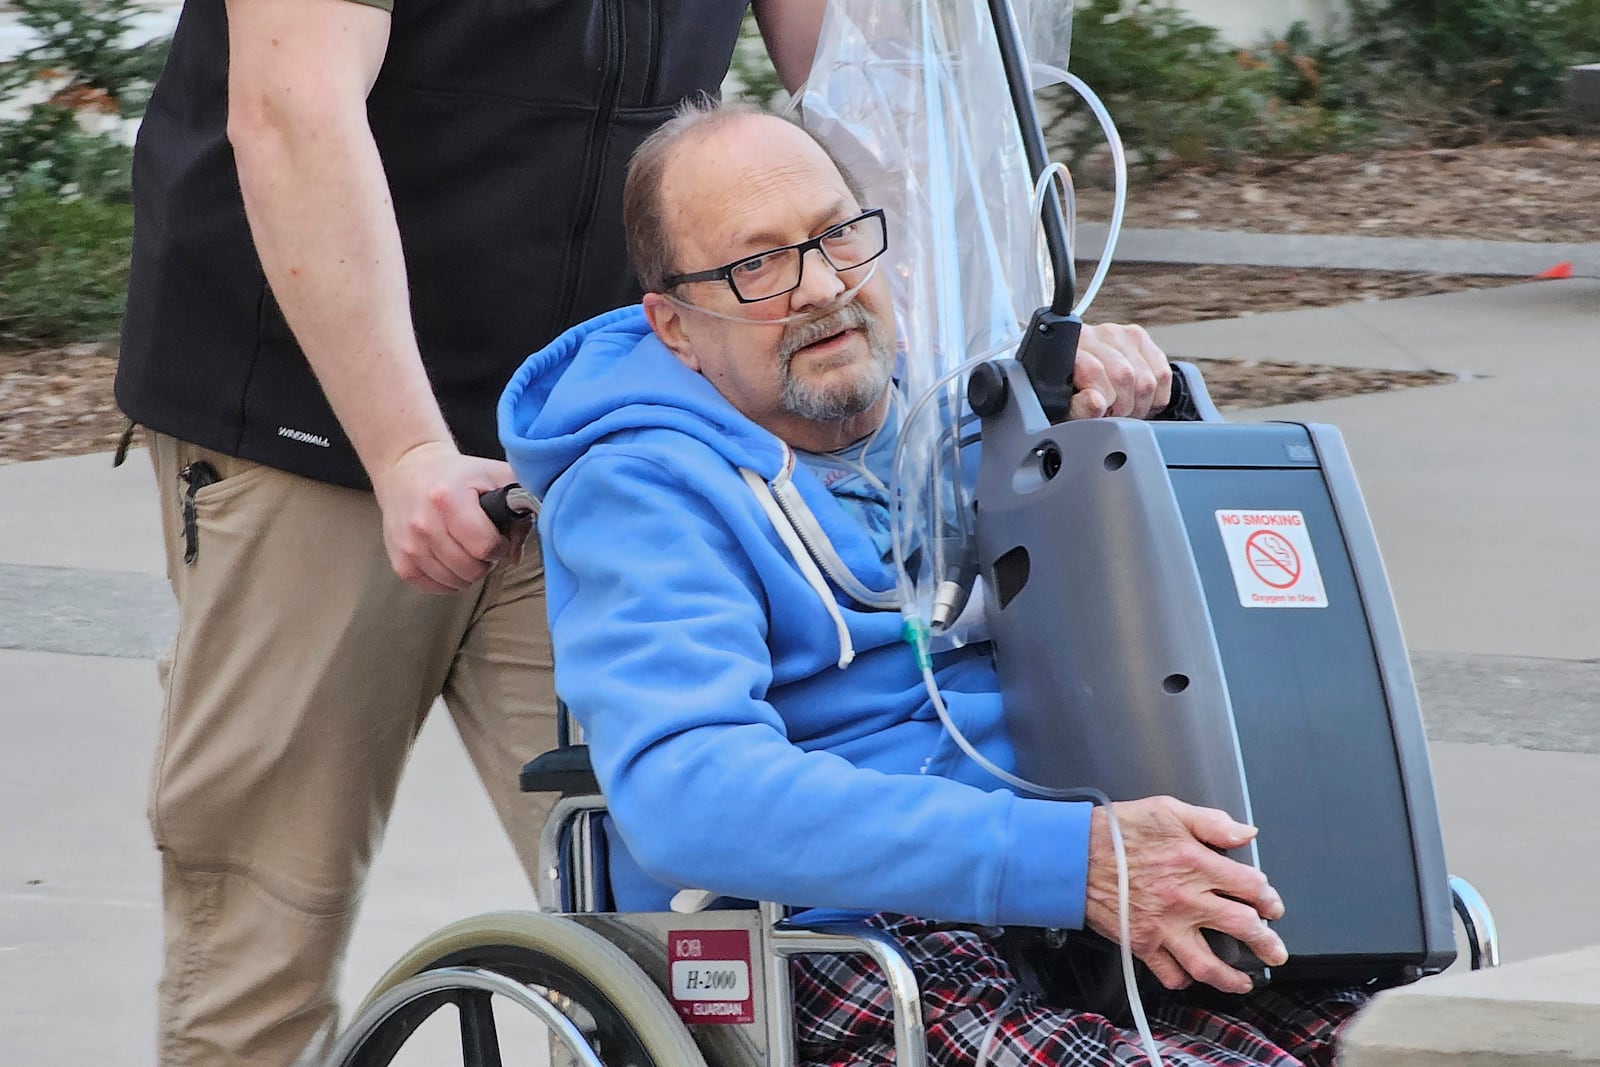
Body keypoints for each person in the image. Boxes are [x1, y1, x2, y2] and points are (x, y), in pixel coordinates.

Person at [498, 101, 1369, 1067]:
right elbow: (687, 791)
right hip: (835, 929)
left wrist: (1136, 418)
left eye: (837, 236)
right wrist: (1062, 860)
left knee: (1410, 1043)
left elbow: (1194, 624)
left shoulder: (963, 413)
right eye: (757, 266)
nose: (822, 286)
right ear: (674, 327)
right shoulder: (639, 490)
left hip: (1078, 884)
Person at [114, 2, 826, 1063]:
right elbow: (291, 105)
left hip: (597, 426)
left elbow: (876, 76)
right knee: (265, 924)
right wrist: (406, 452)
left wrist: (1000, 343)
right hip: (309, 421)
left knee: (695, 931)